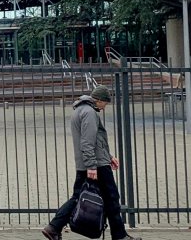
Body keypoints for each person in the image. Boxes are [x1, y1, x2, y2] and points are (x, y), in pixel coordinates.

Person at [42, 85, 138, 240]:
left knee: (78, 197)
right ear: (99, 100)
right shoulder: (89, 113)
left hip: (88, 163)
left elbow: (96, 141)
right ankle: (119, 236)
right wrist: (92, 166)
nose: (104, 107)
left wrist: (109, 156)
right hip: (96, 165)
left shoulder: (80, 110)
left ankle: (54, 227)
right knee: (112, 198)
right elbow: (87, 142)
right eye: (105, 103)